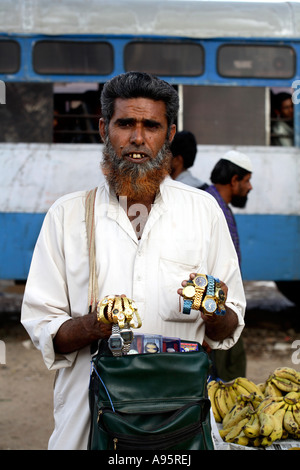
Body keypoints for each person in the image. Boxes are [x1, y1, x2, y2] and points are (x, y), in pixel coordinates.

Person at [21, 72, 246, 450]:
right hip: (88, 427)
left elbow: (228, 328)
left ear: (169, 134)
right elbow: (44, 330)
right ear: (103, 129)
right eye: (125, 123)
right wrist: (96, 325)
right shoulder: (67, 215)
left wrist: (214, 309)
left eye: (151, 126)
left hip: (181, 428)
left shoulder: (203, 212)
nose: (138, 138)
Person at [205, 150, 253, 381]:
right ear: (234, 181)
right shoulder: (209, 206)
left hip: (228, 311)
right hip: (216, 314)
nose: (250, 187)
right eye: (247, 180)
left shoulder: (218, 204)